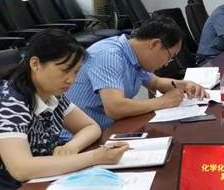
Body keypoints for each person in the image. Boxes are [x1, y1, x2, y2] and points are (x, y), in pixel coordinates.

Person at [0, 30, 129, 190]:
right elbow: (21, 168)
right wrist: (94, 157)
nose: (71, 80)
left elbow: (90, 126)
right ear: (35, 64)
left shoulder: (52, 94)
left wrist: (72, 146)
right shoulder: (8, 101)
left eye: (76, 72)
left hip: (39, 179)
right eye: (65, 71)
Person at [66, 17, 207, 132]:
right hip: (80, 139)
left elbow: (156, 82)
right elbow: (115, 108)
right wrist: (163, 101)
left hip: (109, 129)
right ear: (155, 44)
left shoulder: (134, 55)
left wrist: (184, 85)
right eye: (169, 57)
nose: (166, 64)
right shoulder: (109, 56)